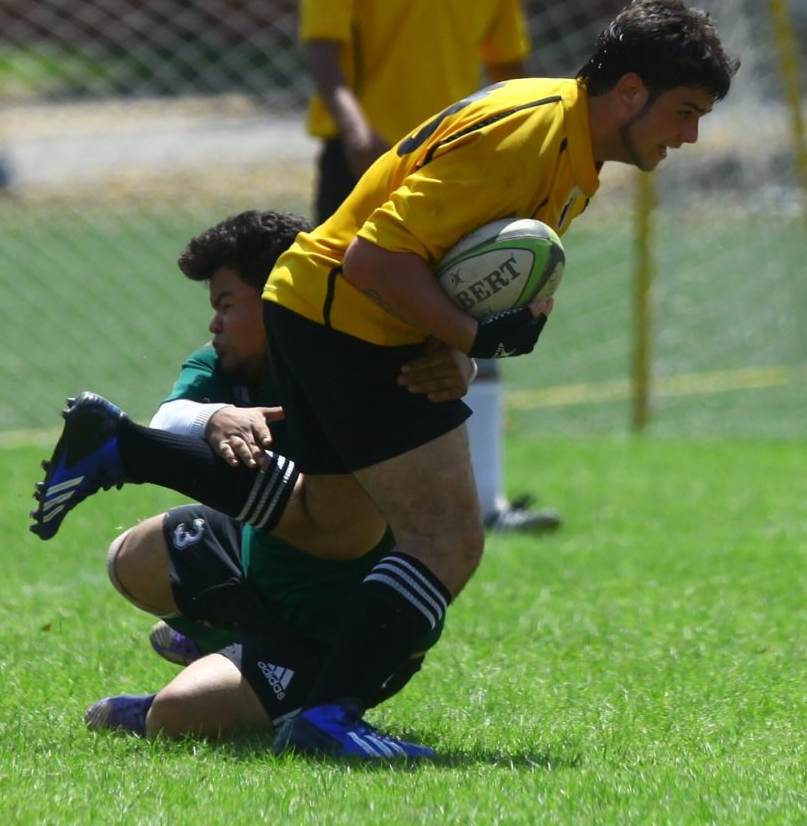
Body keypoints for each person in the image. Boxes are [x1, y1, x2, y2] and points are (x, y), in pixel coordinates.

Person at [33, 0, 739, 760]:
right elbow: (376, 261)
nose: (691, 135)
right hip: (351, 320)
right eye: (685, 111)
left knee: (334, 522)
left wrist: (461, 346)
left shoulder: (566, 138)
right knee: (446, 537)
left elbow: (461, 269)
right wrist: (472, 337)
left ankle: (127, 450)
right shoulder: (528, 138)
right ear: (629, 92)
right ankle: (330, 716)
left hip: (317, 305)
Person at [32, 210, 475, 743]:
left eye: (225, 306)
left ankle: (247, 691)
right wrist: (212, 417)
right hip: (263, 573)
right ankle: (232, 644)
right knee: (130, 557)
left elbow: (428, 367)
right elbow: (169, 418)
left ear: (280, 298)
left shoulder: (353, 357)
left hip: (337, 628)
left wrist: (459, 362)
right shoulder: (222, 363)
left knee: (176, 718)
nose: (214, 324)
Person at [300, 0, 550, 532]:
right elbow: (323, 48)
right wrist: (355, 129)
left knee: (484, 304)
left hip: (459, 168)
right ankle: (338, 499)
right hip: (364, 165)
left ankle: (486, 500)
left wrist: (521, 142)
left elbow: (509, 64)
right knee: (344, 330)